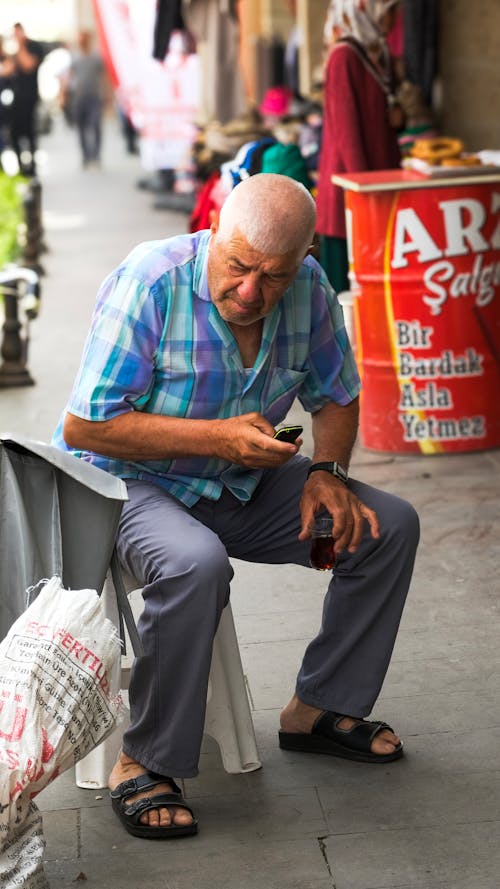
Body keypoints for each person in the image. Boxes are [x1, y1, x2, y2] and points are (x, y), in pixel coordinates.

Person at [52, 173, 419, 840]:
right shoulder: (153, 279)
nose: (252, 292)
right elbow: (85, 427)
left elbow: (335, 392)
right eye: (239, 266)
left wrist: (330, 471)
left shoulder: (308, 289)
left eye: (273, 277)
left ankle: (319, 707)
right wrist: (216, 437)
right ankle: (144, 761)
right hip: (126, 483)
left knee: (386, 525)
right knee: (196, 563)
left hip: (238, 484)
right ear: (215, 231)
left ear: (304, 259)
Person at [315, 0, 404, 294]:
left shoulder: (378, 52)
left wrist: (398, 118)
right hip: (351, 194)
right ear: (364, 9)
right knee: (347, 294)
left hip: (377, 186)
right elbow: (347, 133)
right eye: (389, 9)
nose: (394, 18)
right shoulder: (344, 56)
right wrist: (363, 191)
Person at [63, 30, 105, 168]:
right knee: (81, 128)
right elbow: (69, 75)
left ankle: (96, 156)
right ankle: (86, 157)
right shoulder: (75, 57)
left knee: (95, 125)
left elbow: (104, 76)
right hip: (79, 98)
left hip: (94, 97)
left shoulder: (96, 57)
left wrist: (107, 94)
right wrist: (63, 93)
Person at [8, 23, 44, 176]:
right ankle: (22, 167)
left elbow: (28, 65)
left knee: (30, 133)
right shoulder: (13, 50)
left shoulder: (34, 46)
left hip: (29, 98)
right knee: (15, 133)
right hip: (16, 98)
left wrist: (21, 46)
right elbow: (8, 69)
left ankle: (33, 167)